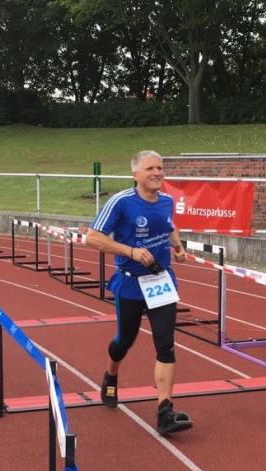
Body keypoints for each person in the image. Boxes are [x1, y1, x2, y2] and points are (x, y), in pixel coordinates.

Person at [86, 150, 192, 435]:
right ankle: (111, 374)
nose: (157, 173)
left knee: (165, 344)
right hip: (131, 283)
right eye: (150, 169)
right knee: (124, 340)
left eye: (160, 168)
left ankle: (165, 411)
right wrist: (131, 251)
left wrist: (178, 246)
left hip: (161, 282)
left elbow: (169, 226)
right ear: (136, 174)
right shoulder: (121, 202)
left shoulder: (167, 201)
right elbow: (92, 238)